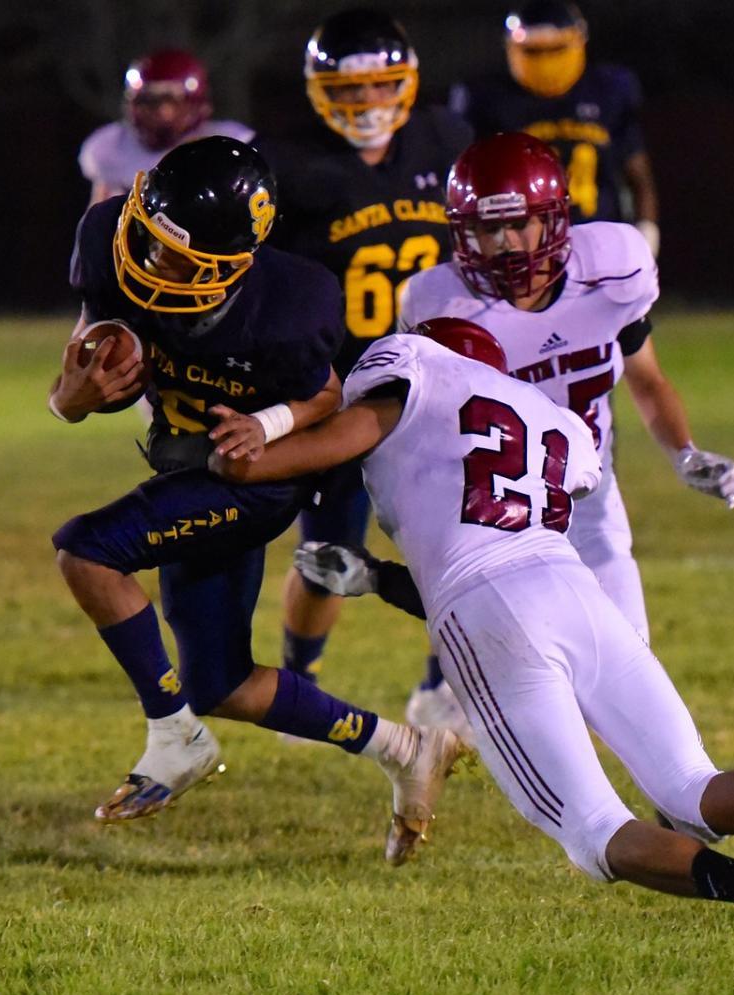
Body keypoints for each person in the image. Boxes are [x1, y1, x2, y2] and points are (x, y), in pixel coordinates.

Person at [211, 317, 734, 916]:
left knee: (594, 828)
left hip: (488, 610)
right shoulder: (549, 417)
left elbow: (342, 445)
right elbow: (492, 539)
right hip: (574, 591)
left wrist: (242, 457)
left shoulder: (415, 369)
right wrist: (378, 578)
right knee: (693, 783)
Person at [47, 136, 461, 864]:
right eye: (146, 238)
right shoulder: (106, 235)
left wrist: (265, 425)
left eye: (175, 259)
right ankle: (406, 748)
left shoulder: (293, 301)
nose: (148, 263)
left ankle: (174, 737)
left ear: (229, 264)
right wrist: (68, 401)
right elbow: (86, 358)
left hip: (255, 479)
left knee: (87, 550)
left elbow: (325, 393)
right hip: (185, 468)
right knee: (221, 681)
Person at [396, 131, 734, 734]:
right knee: (538, 695)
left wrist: (685, 453)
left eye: (519, 224)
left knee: (632, 684)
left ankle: (683, 815)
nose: (503, 245)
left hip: (588, 501)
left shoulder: (613, 267)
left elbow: (648, 379)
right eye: (485, 229)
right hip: (493, 515)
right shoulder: (438, 303)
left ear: (553, 218)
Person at [255, 7, 472, 691]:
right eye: (350, 92)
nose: (370, 104)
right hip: (338, 388)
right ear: (321, 93)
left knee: (460, 543)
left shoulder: (445, 139)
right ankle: (300, 678)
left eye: (381, 87)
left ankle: (448, 682)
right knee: (327, 553)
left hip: (436, 385)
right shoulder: (286, 162)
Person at [449, 1, 661, 257]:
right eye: (534, 51)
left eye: (556, 49)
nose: (547, 62)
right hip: (525, 248)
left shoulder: (609, 90)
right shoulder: (486, 100)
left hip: (600, 242)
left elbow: (638, 176)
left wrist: (646, 234)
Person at [78, 47, 254, 207]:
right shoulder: (111, 147)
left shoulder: (224, 144)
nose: (160, 113)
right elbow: (96, 228)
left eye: (170, 101)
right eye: (148, 102)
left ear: (195, 104)